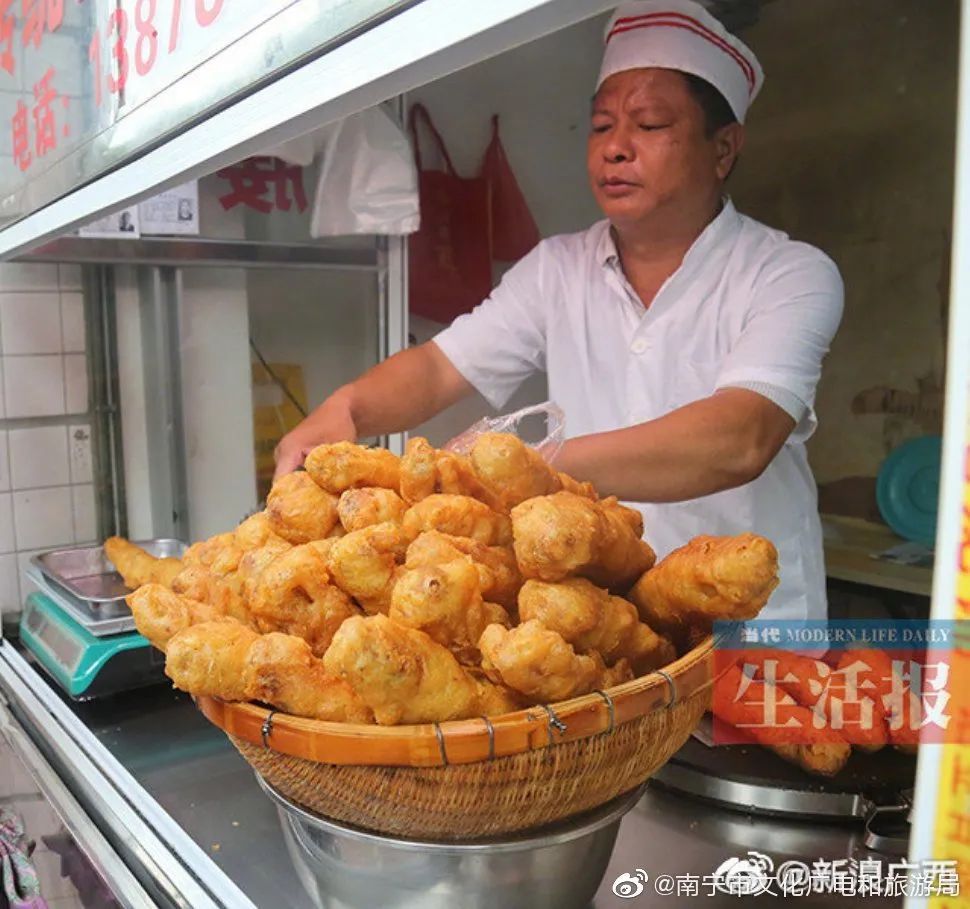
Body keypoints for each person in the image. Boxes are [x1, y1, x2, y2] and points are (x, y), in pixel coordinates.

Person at [274, 0, 844, 624]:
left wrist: (522, 467)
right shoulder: (557, 268)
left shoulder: (789, 273)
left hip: (750, 624)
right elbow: (441, 369)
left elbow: (740, 438)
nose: (615, 149)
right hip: (608, 620)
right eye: (601, 127)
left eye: (649, 125)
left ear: (723, 148)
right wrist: (346, 408)